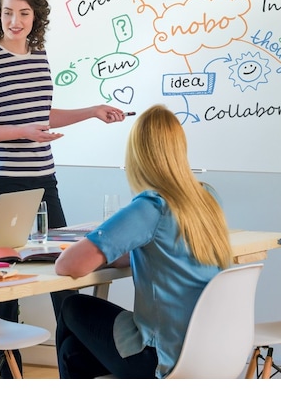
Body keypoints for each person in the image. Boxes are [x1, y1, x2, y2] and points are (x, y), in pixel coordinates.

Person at [0, 0, 127, 377]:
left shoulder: (39, 57)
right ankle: (10, 376)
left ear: (36, 17)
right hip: (1, 183)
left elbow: (42, 114)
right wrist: (23, 132)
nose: (14, 21)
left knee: (63, 275)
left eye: (23, 13)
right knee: (7, 284)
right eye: (7, 13)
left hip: (43, 179)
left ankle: (74, 371)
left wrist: (91, 111)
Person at [53, 104, 232, 379]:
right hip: (209, 352)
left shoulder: (152, 207)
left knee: (72, 307)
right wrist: (115, 253)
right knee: (71, 351)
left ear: (138, 154)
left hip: (162, 358)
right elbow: (169, 251)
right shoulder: (207, 197)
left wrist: (100, 250)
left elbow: (68, 266)